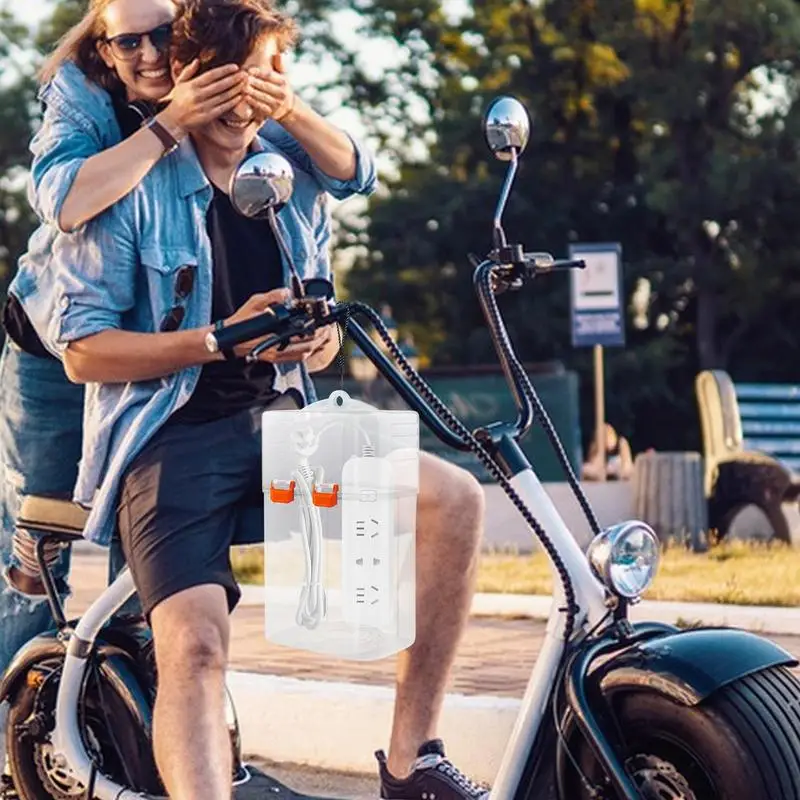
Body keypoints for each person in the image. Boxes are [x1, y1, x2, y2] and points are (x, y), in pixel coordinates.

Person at [40, 1, 488, 797]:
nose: (254, 96)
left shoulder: (290, 172)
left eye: (272, 74)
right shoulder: (128, 183)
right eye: (233, 76)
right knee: (196, 645)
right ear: (187, 78)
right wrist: (218, 339)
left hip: (283, 425)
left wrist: (319, 340)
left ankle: (412, 761)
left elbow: (354, 182)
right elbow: (81, 354)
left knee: (453, 497)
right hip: (169, 437)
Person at [0, 0, 374, 772]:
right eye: (124, 39)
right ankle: (14, 727)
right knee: (39, 551)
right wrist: (167, 122)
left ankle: (149, 712)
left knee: (159, 562)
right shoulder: (85, 90)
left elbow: (354, 173)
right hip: (60, 346)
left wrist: (287, 104)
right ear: (101, 46)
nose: (144, 52)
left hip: (175, 361)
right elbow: (64, 200)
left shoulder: (242, 112)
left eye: (160, 36)